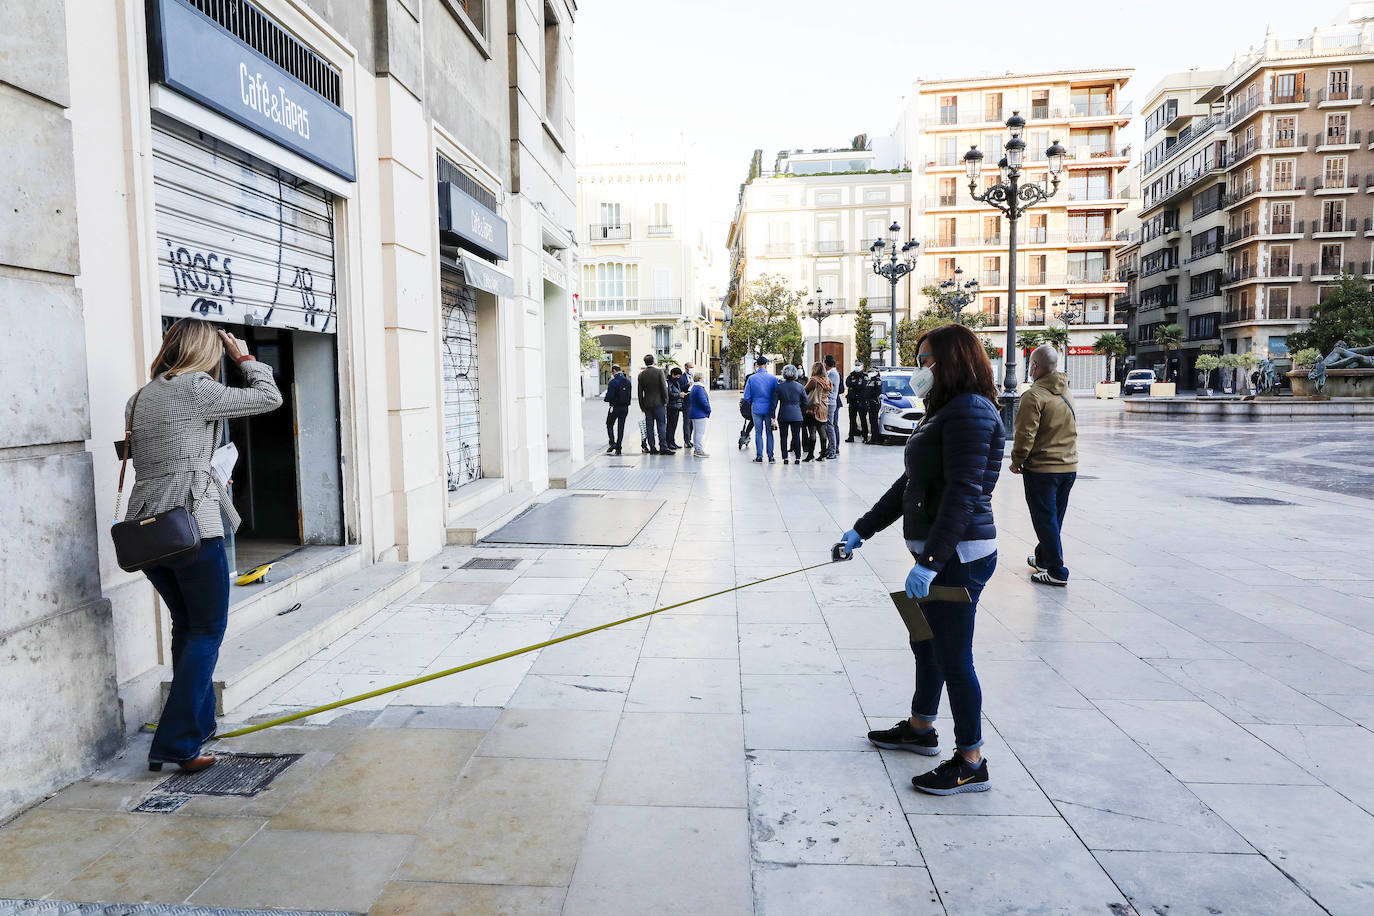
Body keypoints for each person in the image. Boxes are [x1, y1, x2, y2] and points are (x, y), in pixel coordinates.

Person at [839, 324, 1003, 795]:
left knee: (955, 657)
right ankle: (920, 727)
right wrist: (861, 530)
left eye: (927, 359)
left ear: (953, 360)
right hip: (934, 554)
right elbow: (910, 484)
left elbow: (963, 495)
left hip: (958, 556)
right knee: (925, 643)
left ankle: (971, 760)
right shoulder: (946, 410)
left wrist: (930, 562)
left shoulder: (971, 411)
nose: (920, 368)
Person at [125, 318, 283, 772]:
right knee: (208, 630)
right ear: (204, 349)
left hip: (149, 528)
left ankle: (196, 725)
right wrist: (246, 359)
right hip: (193, 525)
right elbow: (269, 398)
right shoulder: (197, 388)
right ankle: (176, 743)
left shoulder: (139, 398)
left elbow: (150, 457)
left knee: (187, 627)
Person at [1010, 344, 1078, 587]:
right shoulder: (1066, 392)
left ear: (1035, 366)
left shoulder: (1033, 396)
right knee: (1053, 519)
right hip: (1069, 466)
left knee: (1044, 519)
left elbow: (1025, 434)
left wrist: (1017, 460)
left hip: (1043, 469)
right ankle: (1043, 558)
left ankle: (1057, 571)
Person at [741, 356, 780, 462]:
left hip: (756, 408)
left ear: (757, 365)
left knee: (758, 432)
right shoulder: (772, 379)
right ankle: (771, 456)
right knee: (769, 432)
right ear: (766, 365)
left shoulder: (751, 378)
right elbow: (776, 395)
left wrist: (753, 402)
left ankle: (759, 456)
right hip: (769, 409)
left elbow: (746, 396)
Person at [637, 354, 669, 454]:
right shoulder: (659, 372)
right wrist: (666, 400)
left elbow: (639, 392)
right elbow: (664, 387)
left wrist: (641, 405)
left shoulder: (641, 374)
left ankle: (652, 448)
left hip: (647, 404)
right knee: (661, 425)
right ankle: (663, 447)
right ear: (653, 361)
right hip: (659, 403)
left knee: (649, 426)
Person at [776, 364, 807, 465]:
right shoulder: (800, 386)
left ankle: (785, 457)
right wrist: (801, 411)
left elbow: (774, 402)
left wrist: (772, 415)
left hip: (783, 414)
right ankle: (797, 457)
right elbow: (805, 401)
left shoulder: (780, 387)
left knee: (783, 437)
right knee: (796, 436)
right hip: (797, 415)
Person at [803, 361, 833, 461]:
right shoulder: (827, 380)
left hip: (813, 407)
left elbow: (804, 391)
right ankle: (823, 454)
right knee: (822, 430)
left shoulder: (814, 380)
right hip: (824, 407)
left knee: (812, 431)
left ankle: (810, 455)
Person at [603, 364, 631, 455]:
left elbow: (609, 396)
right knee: (621, 427)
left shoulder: (613, 382)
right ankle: (619, 447)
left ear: (614, 371)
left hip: (614, 407)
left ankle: (612, 443)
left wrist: (606, 399)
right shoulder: (628, 381)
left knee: (609, 424)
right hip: (625, 408)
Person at [687, 370, 711, 457]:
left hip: (695, 412)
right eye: (703, 377)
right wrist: (708, 409)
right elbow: (703, 401)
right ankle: (699, 450)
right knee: (699, 433)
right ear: (700, 378)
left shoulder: (694, 387)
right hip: (699, 414)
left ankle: (697, 449)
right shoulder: (699, 388)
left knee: (697, 432)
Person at [845, 359, 869, 443]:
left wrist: (854, 385)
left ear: (862, 367)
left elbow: (863, 385)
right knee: (852, 419)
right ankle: (851, 436)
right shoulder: (851, 375)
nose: (857, 367)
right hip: (852, 401)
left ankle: (865, 436)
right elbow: (847, 383)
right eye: (856, 365)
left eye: (858, 365)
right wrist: (855, 385)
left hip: (861, 401)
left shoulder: (865, 376)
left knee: (863, 419)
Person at [824, 354, 843, 458]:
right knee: (829, 426)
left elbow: (827, 387)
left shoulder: (832, 373)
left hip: (830, 402)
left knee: (830, 426)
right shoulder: (833, 372)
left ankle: (833, 450)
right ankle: (831, 448)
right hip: (831, 402)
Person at [666, 366, 686, 451]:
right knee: (670, 426)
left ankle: (672, 442)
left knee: (674, 426)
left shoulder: (676, 383)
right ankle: (669, 443)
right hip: (671, 407)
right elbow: (669, 394)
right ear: (673, 375)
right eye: (677, 375)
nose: (679, 377)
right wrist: (679, 395)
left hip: (677, 406)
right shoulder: (669, 382)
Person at [681, 360, 697, 449]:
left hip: (693, 402)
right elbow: (680, 388)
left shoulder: (693, 376)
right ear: (686, 368)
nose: (692, 369)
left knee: (691, 423)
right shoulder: (682, 377)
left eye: (692, 367)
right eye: (691, 367)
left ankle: (689, 440)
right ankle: (686, 441)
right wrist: (688, 385)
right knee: (686, 422)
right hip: (686, 403)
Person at [866, 369, 883, 442]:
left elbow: (878, 391)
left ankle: (875, 438)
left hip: (874, 402)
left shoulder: (877, 380)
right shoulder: (871, 380)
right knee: (871, 421)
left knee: (874, 421)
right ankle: (873, 437)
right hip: (870, 402)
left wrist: (870, 395)